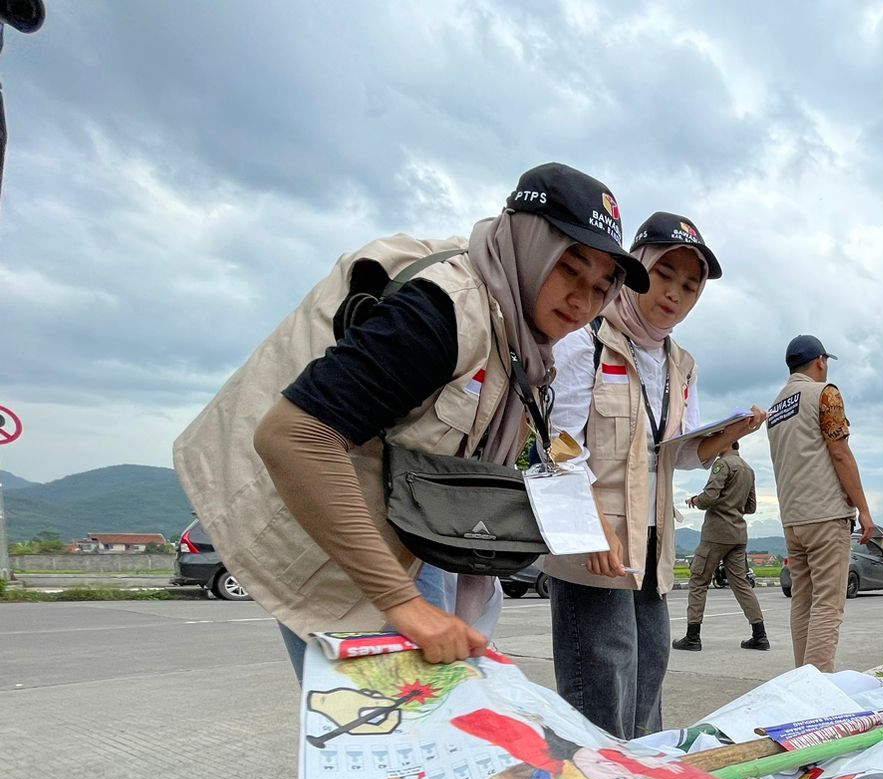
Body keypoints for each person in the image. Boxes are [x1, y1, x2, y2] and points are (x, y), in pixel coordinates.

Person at [174, 163, 647, 679]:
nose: (582, 300)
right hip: (321, 525)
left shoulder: (518, 339)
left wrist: (585, 510)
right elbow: (293, 436)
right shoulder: (441, 313)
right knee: (387, 739)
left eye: (603, 286)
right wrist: (403, 604)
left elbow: (532, 446)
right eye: (568, 267)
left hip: (399, 537)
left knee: (424, 726)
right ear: (528, 245)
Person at [542, 212, 764, 738]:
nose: (675, 295)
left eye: (690, 286)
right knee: (603, 671)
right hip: (594, 536)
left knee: (650, 665)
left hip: (652, 539)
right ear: (636, 268)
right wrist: (591, 525)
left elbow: (676, 454)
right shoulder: (589, 339)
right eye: (665, 275)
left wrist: (729, 435)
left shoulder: (679, 362)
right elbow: (559, 445)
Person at [766, 335, 874, 672]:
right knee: (828, 604)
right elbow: (839, 452)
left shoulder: (775, 408)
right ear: (821, 362)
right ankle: (819, 687)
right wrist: (865, 510)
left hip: (793, 519)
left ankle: (802, 678)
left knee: (803, 601)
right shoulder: (824, 394)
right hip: (826, 515)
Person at [673, 440, 769, 653]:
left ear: (725, 443)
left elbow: (709, 497)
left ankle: (692, 636)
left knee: (698, 581)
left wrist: (695, 500)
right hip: (738, 534)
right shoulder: (748, 469)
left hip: (716, 533)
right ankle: (759, 635)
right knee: (742, 584)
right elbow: (751, 507)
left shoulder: (722, 465)